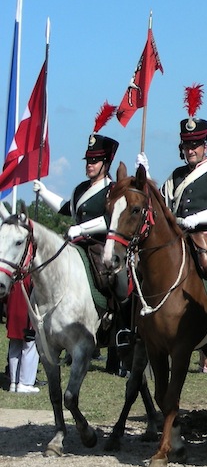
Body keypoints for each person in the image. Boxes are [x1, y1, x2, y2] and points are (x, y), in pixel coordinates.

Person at [33, 101, 130, 365]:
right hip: (75, 244)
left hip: (100, 244)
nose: (89, 164)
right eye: (88, 160)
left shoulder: (112, 190)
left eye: (95, 160)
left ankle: (121, 326)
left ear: (105, 163)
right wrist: (43, 192)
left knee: (118, 283)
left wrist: (81, 228)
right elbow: (67, 208)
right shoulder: (79, 189)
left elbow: (110, 219)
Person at [146, 84, 207, 342]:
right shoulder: (175, 176)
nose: (191, 150)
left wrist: (197, 219)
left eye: (196, 144)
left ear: (205, 145)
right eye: (187, 145)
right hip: (178, 234)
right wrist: (145, 176)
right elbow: (161, 207)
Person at [5, 276, 39, 393]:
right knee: (30, 348)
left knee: (14, 348)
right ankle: (25, 383)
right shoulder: (30, 276)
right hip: (26, 315)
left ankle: (14, 382)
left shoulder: (12, 275)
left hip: (12, 312)